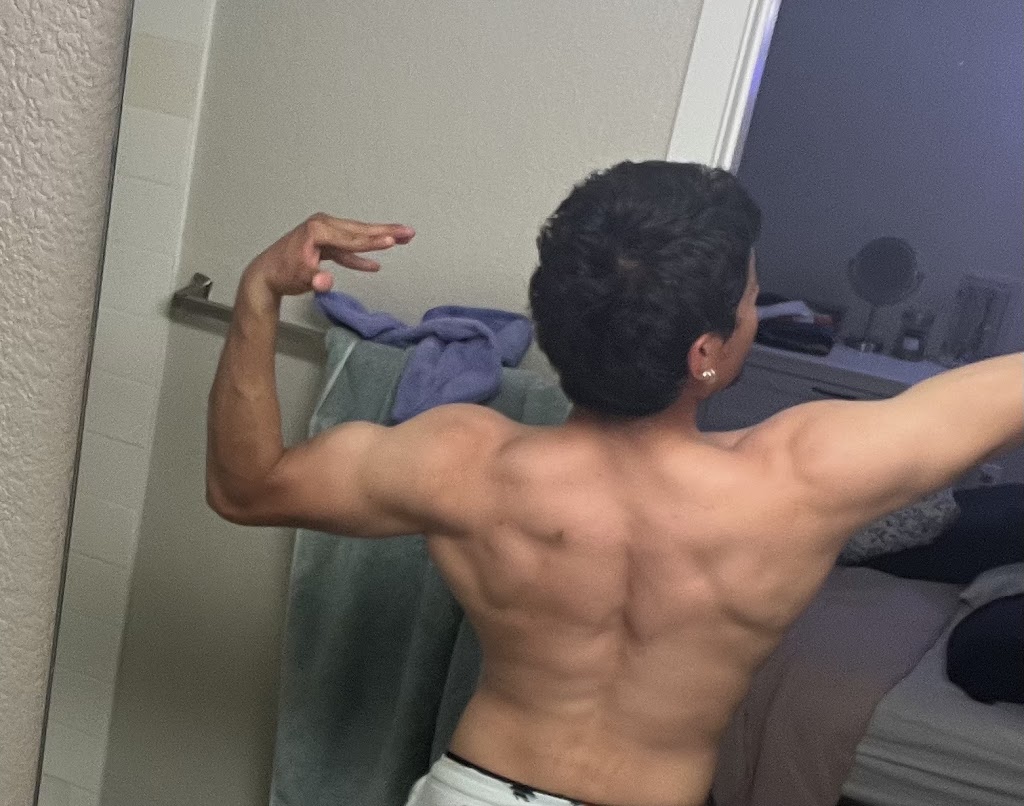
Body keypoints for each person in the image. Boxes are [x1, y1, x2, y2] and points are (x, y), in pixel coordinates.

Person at [206, 161, 1023, 806]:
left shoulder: (463, 462)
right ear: (706, 351)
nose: (753, 313)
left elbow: (246, 488)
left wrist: (258, 292)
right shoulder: (801, 478)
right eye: (749, 301)